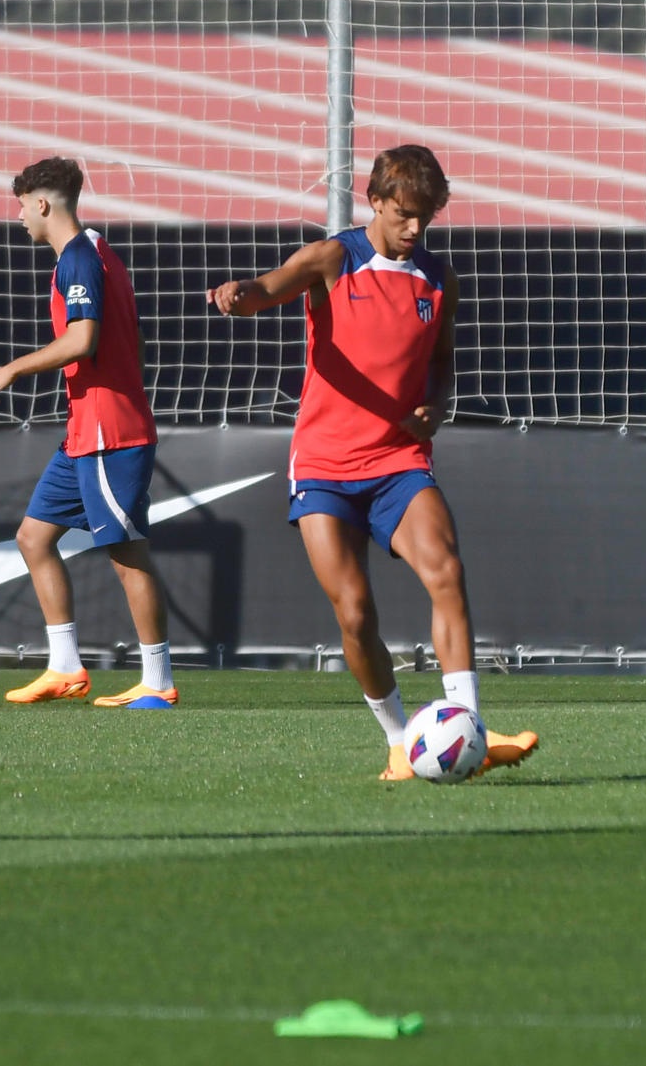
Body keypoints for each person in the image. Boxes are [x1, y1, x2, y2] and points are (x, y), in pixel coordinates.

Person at [207, 145, 538, 781]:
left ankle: (468, 725)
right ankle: (396, 740)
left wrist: (435, 407)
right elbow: (270, 288)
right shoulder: (335, 258)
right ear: (377, 202)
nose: (416, 229)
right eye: (406, 214)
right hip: (326, 464)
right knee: (355, 613)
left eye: (428, 217)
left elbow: (441, 365)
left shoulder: (439, 280)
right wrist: (238, 295)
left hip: (398, 462)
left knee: (445, 570)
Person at [0, 157, 176, 709]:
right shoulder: (100, 252)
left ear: (42, 204)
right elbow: (131, 343)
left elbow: (83, 340)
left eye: (21, 205)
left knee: (125, 552)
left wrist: (13, 368)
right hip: (84, 433)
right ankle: (65, 667)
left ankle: (158, 679)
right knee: (33, 538)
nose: (19, 216)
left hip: (109, 435)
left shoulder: (79, 260)